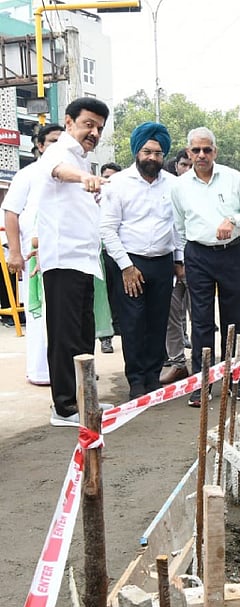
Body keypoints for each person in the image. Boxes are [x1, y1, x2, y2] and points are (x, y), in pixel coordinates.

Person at [28, 96, 111, 426]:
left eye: (99, 128)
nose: (93, 132)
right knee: (64, 336)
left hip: (84, 261)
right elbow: (57, 171)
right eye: (88, 124)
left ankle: (82, 398)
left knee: (82, 335)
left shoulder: (83, 159)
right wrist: (82, 178)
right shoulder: (59, 152)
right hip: (63, 260)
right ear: (69, 122)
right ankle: (63, 407)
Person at [171, 127, 240, 406]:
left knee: (233, 318)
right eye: (196, 150)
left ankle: (233, 377)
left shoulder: (234, 179)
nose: (201, 155)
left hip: (231, 254)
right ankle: (203, 382)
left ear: (215, 152)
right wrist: (192, 251)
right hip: (198, 255)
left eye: (206, 150)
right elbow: (179, 226)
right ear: (188, 152)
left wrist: (233, 220)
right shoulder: (180, 186)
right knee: (200, 321)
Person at [99, 122, 176, 399]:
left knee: (158, 322)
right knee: (133, 324)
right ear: (137, 152)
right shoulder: (117, 184)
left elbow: (177, 227)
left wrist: (178, 261)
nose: (152, 158)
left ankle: (153, 379)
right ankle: (136, 381)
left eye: (157, 153)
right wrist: (127, 267)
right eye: (147, 151)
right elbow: (107, 228)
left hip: (163, 263)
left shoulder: (173, 185)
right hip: (130, 263)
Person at [2, 123, 62, 386]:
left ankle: (67, 372)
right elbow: (11, 213)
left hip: (66, 256)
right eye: (52, 141)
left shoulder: (70, 173)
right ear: (40, 146)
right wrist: (15, 253)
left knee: (67, 317)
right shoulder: (27, 175)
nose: (58, 147)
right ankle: (41, 371)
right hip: (34, 256)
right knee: (40, 316)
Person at [160, 147, 194, 384]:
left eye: (191, 165)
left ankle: (206, 364)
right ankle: (177, 362)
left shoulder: (205, 191)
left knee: (200, 315)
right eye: (184, 164)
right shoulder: (168, 190)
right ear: (176, 166)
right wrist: (177, 262)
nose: (188, 169)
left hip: (198, 262)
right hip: (171, 263)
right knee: (172, 315)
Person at [96, 161, 122, 355]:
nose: (109, 181)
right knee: (103, 298)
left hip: (119, 255)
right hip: (99, 254)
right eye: (106, 177)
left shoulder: (121, 197)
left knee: (119, 295)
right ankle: (106, 339)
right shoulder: (93, 198)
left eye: (113, 178)